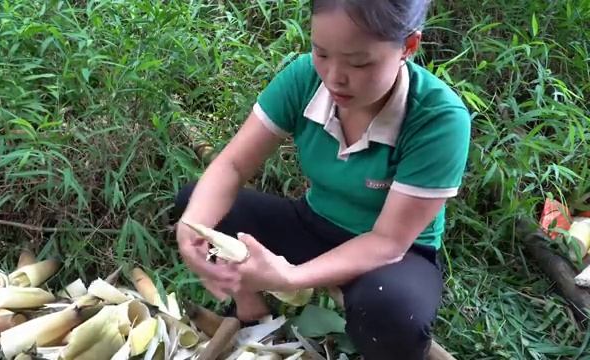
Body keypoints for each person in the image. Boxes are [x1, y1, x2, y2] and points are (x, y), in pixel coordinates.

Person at [172, 0, 472, 358]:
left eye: (359, 62)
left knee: (393, 310)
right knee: (199, 205)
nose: (334, 77)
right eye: (321, 53)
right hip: (315, 224)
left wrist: (290, 278)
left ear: (408, 46)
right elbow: (233, 166)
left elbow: (388, 242)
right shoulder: (305, 78)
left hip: (398, 255)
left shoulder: (438, 118)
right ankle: (250, 311)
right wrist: (191, 227)